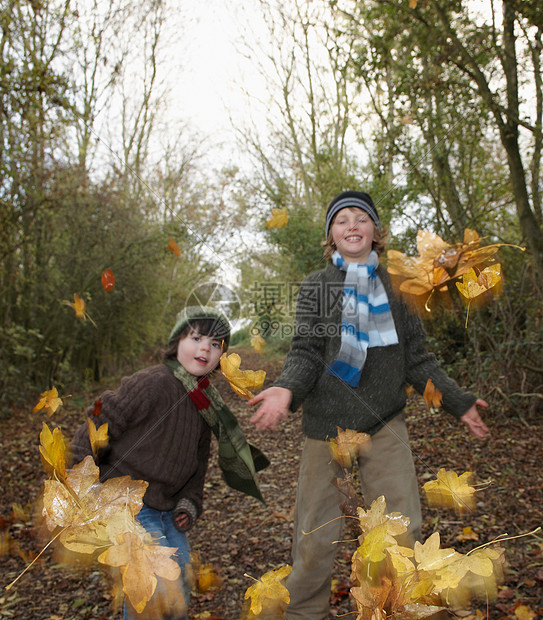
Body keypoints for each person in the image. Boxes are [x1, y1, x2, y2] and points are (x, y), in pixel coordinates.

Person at [249, 191, 489, 620]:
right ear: (331, 236)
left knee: (402, 530)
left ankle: (391, 609)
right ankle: (305, 612)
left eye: (362, 218)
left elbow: (417, 359)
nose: (353, 226)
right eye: (343, 221)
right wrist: (287, 389)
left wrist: (458, 402)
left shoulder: (400, 288)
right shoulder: (317, 286)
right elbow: (305, 352)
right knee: (314, 536)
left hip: (384, 422)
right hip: (326, 427)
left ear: (376, 231)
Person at [71, 306, 268, 620]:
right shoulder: (152, 383)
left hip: (166, 504)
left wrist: (190, 501)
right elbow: (100, 415)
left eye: (216, 344)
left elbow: (197, 461)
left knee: (181, 576)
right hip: (127, 500)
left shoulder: (205, 401)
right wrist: (81, 476)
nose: (206, 347)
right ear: (177, 341)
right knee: (153, 583)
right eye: (197, 337)